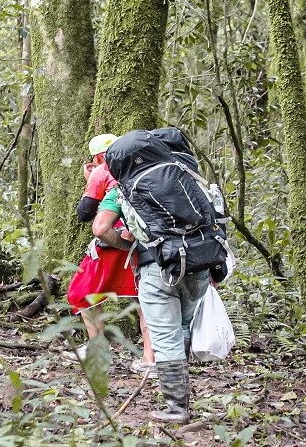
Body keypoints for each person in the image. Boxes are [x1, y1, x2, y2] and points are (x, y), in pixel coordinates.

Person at [95, 185, 208, 424]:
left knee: (167, 338)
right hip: (199, 263)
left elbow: (101, 229)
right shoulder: (185, 176)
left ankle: (177, 407)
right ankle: (183, 396)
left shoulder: (122, 187)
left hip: (157, 267)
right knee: (183, 326)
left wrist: (132, 247)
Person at [64, 134, 157, 378]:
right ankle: (151, 358)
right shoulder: (143, 168)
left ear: (97, 156)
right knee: (143, 300)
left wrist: (90, 178)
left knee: (80, 292)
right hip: (144, 246)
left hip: (111, 246)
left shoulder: (102, 171)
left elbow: (84, 213)